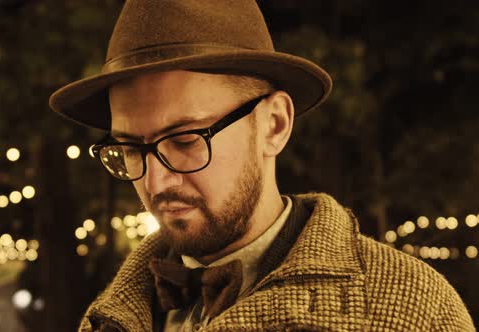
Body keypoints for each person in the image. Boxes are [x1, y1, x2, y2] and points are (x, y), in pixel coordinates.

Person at [49, 1, 475, 331]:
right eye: (130, 148)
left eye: (185, 140)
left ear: (274, 124)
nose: (156, 180)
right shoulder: (108, 316)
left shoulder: (412, 308)